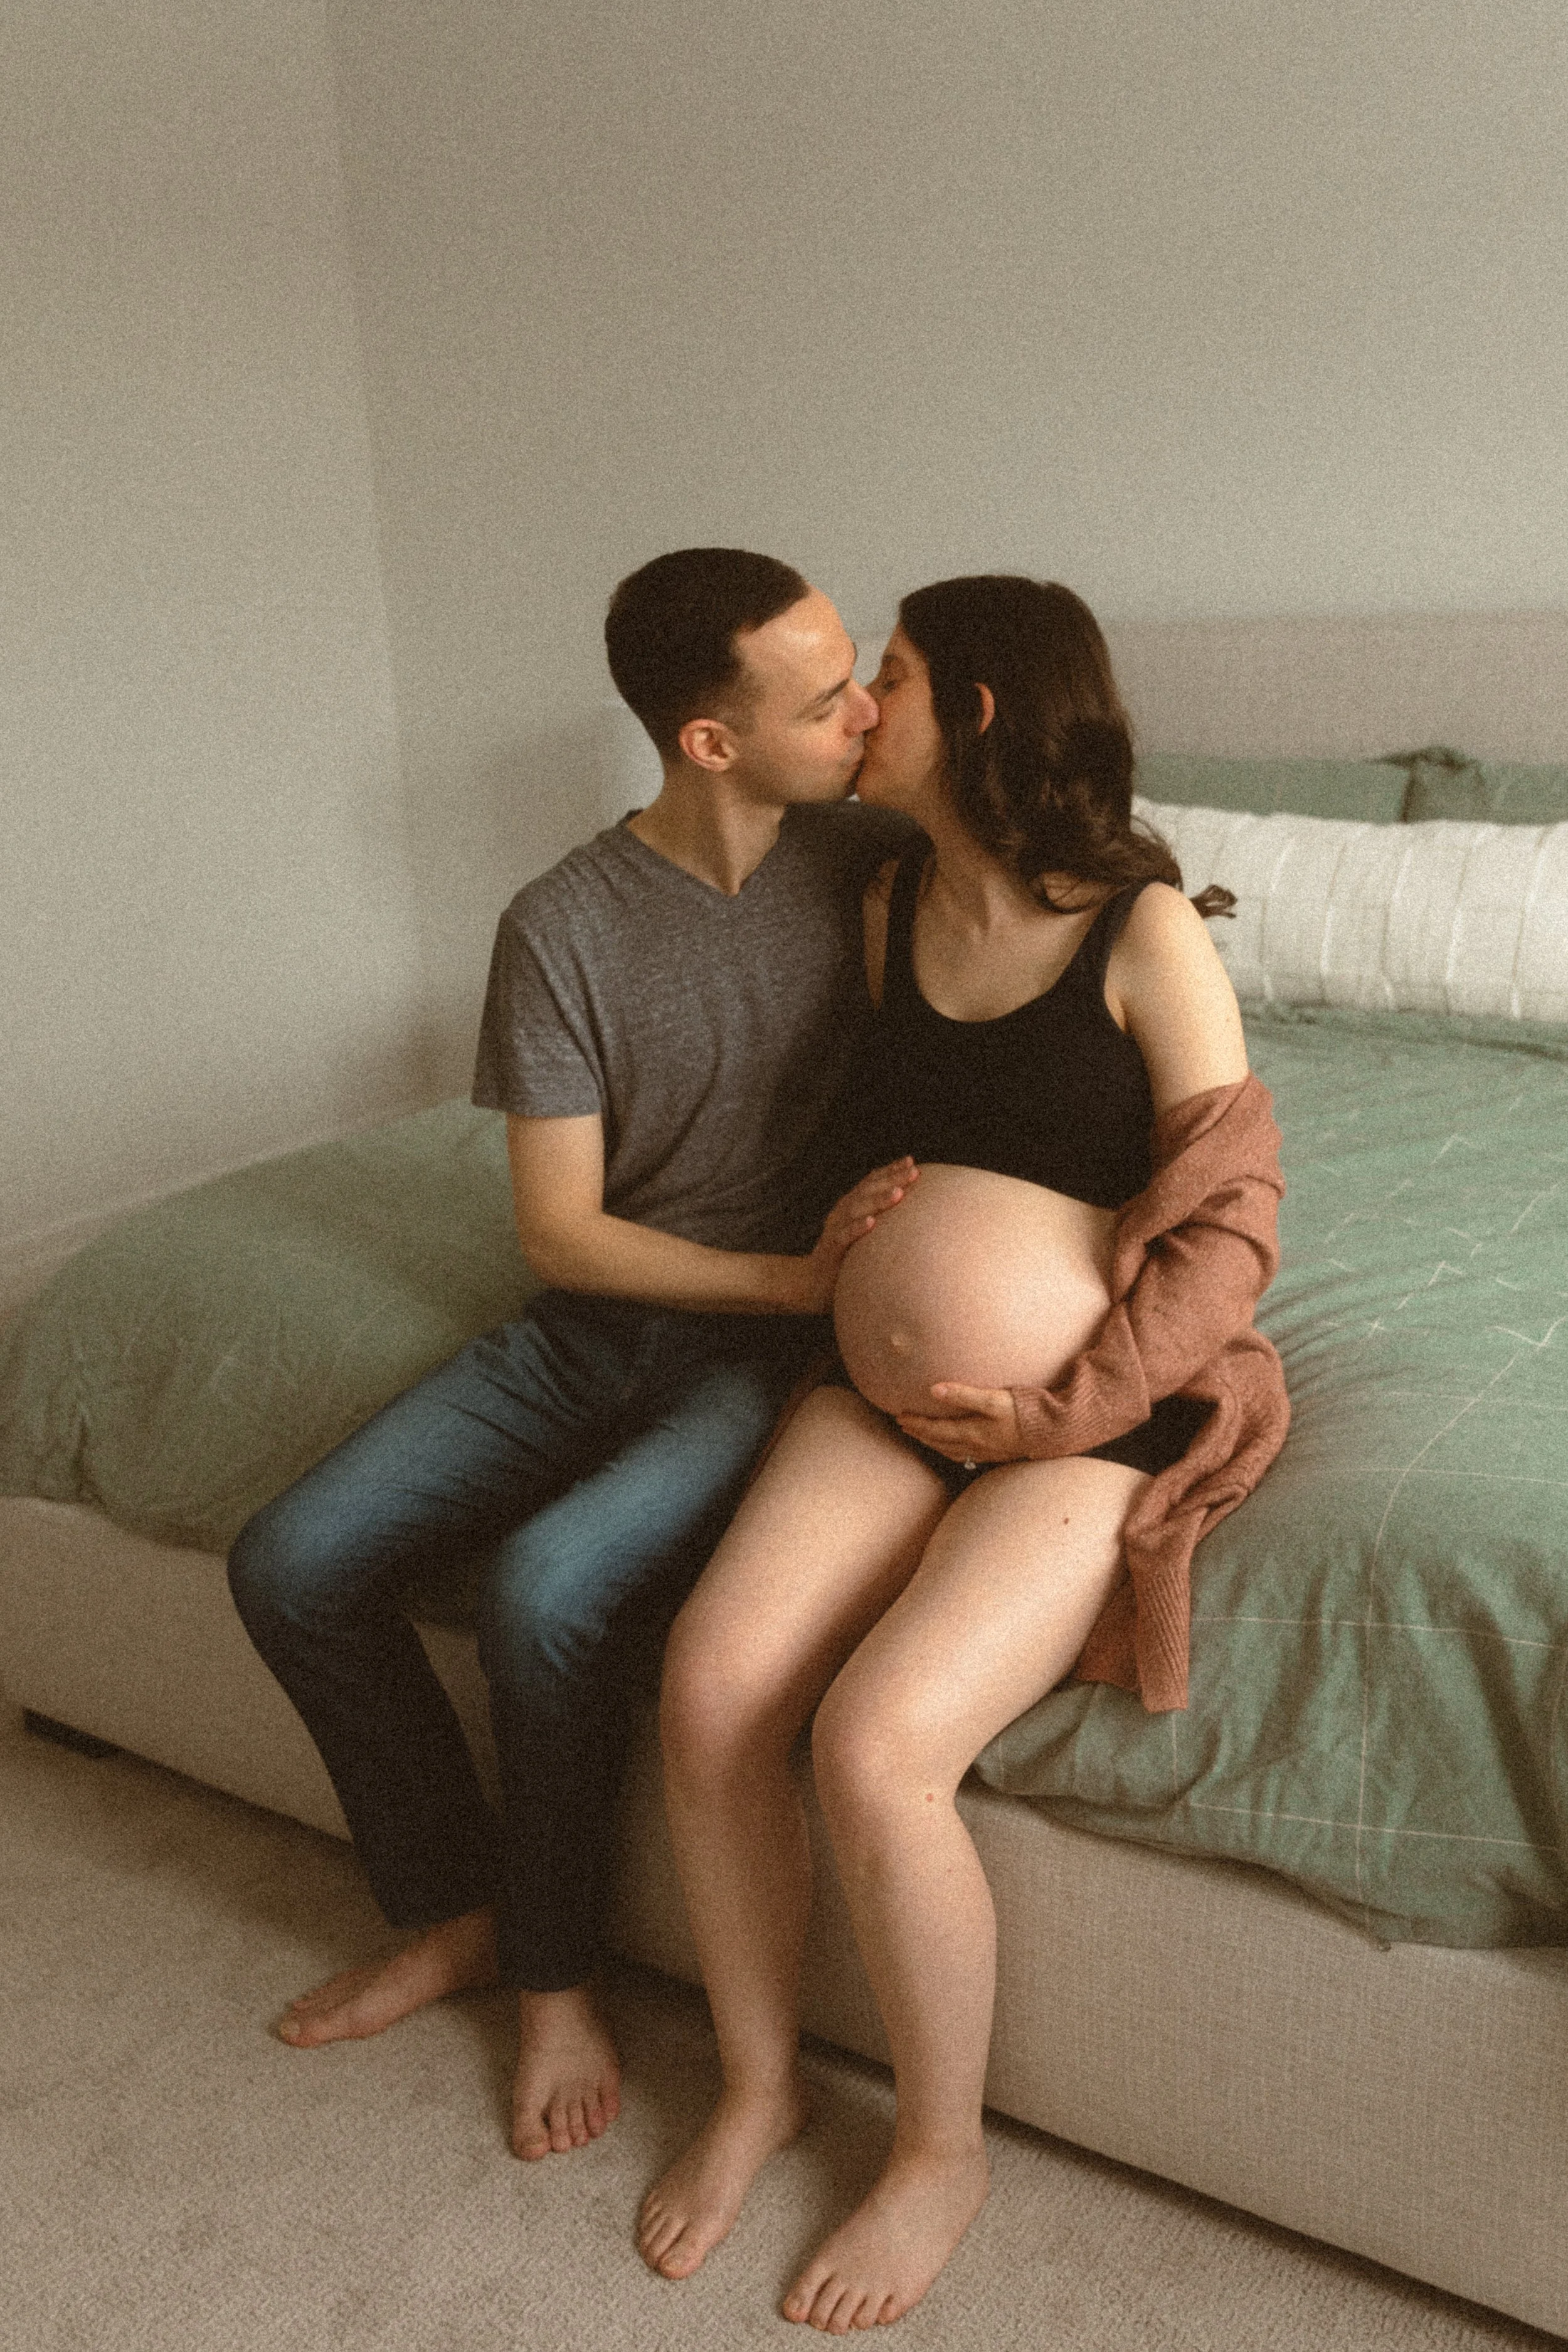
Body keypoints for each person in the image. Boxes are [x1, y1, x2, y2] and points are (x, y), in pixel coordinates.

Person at [638, 575, 1289, 2330]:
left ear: (980, 711)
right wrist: (848, 1235)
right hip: (886, 1408)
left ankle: (938, 2148)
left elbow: (1229, 1232)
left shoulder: (1140, 931)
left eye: (895, 681)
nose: (864, 709)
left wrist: (1055, 1408)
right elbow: (884, 1130)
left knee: (872, 1744)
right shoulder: (883, 910)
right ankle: (761, 2082)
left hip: (1087, 1418)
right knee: (708, 1690)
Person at [227, 548, 918, 2163]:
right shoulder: (562, 924)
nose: (866, 711)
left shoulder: (877, 862)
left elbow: (1063, 891)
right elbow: (561, 1235)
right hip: (607, 1327)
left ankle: (554, 1975)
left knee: (552, 1584)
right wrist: (793, 1273)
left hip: (767, 1370)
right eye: (827, 698)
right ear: (709, 741)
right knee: (292, 1562)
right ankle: (454, 1905)